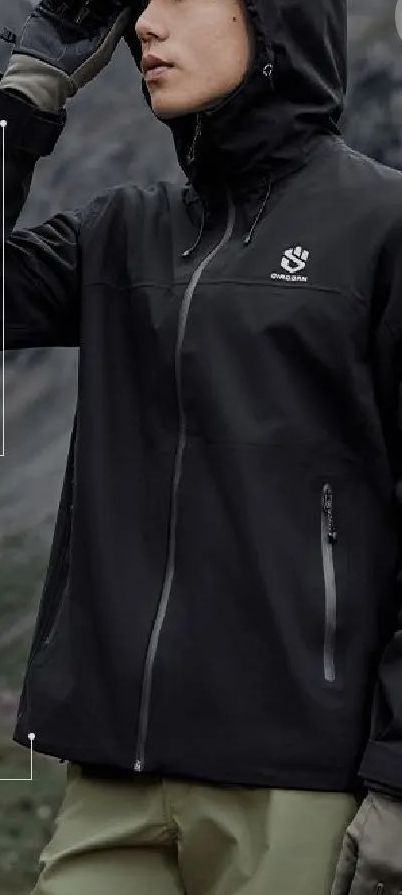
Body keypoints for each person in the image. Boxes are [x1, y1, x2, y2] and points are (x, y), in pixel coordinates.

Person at [1, 0, 402, 892]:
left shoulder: (383, 226)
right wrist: (25, 94)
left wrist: (400, 785)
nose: (146, 23)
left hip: (299, 787)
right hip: (111, 778)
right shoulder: (121, 232)